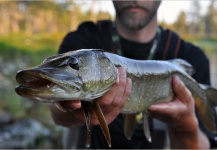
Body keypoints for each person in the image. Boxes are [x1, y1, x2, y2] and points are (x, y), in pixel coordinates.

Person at [50, 0, 214, 149]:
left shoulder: (191, 57)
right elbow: (57, 113)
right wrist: (70, 111)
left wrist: (185, 125)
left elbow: (203, 145)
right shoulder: (82, 43)